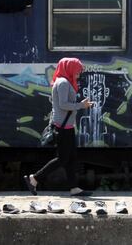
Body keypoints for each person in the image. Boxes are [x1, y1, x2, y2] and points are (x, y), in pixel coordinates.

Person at [24, 58, 94, 196]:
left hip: (67, 126)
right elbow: (63, 104)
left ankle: (74, 188)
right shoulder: (62, 83)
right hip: (62, 127)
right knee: (62, 159)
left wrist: (81, 104)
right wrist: (81, 105)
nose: (79, 73)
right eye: (77, 70)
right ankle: (34, 178)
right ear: (70, 68)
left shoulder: (65, 82)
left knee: (71, 158)